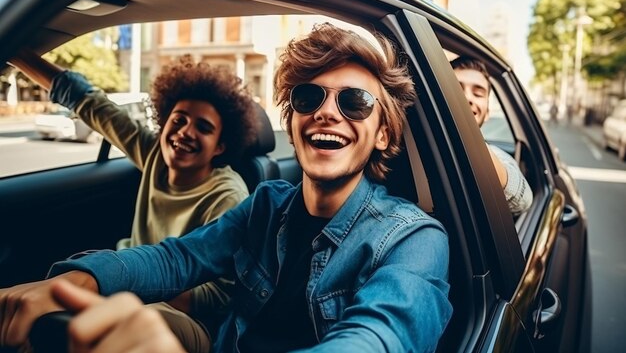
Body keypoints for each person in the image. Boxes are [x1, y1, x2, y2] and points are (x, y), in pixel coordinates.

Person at [0, 22, 452, 353]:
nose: (327, 113)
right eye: (308, 98)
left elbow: (377, 340)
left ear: (384, 134)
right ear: (292, 124)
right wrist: (79, 280)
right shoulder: (266, 206)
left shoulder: (413, 239)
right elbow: (177, 257)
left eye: (354, 101)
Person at [7, 51, 259, 351]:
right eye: (178, 120)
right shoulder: (155, 155)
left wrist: (130, 288)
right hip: (129, 285)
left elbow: (219, 295)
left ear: (220, 146)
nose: (185, 132)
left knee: (128, 322)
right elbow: (90, 103)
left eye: (203, 128)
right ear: (164, 124)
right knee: (40, 310)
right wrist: (17, 53)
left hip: (193, 323)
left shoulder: (228, 195)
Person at [450, 55, 533, 214]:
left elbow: (523, 199)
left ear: (487, 112)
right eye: (456, 88)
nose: (467, 98)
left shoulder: (497, 156)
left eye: (478, 93)